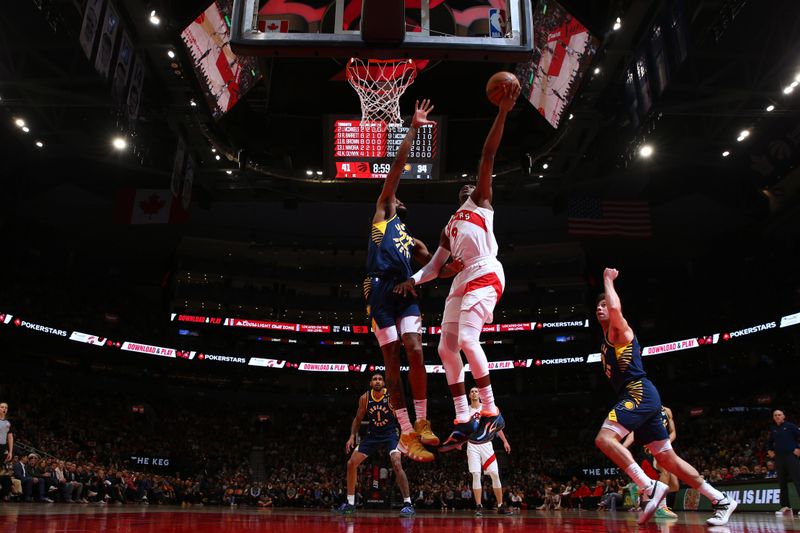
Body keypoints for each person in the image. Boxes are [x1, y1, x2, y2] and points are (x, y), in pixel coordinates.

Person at [395, 83, 520, 451]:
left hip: (484, 269)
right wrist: (412, 279)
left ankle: (492, 411)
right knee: (447, 350)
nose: (470, 184)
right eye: (463, 185)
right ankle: (464, 417)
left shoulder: (481, 202)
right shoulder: (449, 225)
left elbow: (487, 157)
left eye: (473, 183)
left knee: (467, 340)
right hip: (462, 277)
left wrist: (502, 112)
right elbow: (435, 265)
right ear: (456, 196)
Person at [593, 268, 736, 526]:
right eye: (598, 306)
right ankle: (721, 499)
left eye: (605, 304)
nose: (601, 308)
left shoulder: (619, 330)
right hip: (643, 396)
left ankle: (649, 487)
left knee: (604, 439)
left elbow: (615, 311)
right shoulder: (605, 340)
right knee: (667, 458)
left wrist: (608, 280)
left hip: (639, 391)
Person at [365, 99, 457, 462]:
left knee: (417, 350)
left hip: (406, 289)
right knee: (391, 359)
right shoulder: (384, 212)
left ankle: (422, 423)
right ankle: (404, 432)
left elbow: (438, 268)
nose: (396, 195)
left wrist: (459, 260)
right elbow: (397, 168)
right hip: (379, 288)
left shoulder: (413, 241)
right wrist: (414, 128)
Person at [334, 374, 415, 517]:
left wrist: (406, 437)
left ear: (384, 383)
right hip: (373, 435)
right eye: (374, 379)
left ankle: (408, 504)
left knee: (396, 463)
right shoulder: (365, 398)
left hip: (390, 434)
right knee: (351, 463)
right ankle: (350, 504)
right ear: (371, 383)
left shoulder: (390, 397)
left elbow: (402, 417)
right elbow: (358, 419)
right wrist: (352, 435)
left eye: (380, 379)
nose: (377, 381)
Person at [623, 405, 680, 518]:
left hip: (665, 446)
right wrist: (623, 446)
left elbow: (673, 432)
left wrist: (667, 442)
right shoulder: (646, 410)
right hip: (650, 446)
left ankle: (641, 490)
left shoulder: (667, 410)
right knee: (665, 470)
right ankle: (661, 507)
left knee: (674, 486)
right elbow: (634, 432)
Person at [462, 387, 512, 516]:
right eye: (472, 391)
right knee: (476, 474)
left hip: (486, 444)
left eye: (476, 391)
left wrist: (505, 441)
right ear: (469, 395)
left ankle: (500, 505)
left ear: (479, 394)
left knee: (495, 474)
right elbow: (462, 429)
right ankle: (478, 506)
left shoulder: (487, 408)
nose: (474, 393)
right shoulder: (465, 410)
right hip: (472, 445)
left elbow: (497, 426)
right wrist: (458, 442)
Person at [767, 409, 800, 516]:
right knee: (782, 483)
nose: (777, 416)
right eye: (775, 415)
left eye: (779, 415)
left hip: (791, 456)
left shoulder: (790, 426)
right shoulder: (773, 429)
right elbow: (769, 442)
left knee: (797, 481)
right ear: (773, 417)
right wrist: (769, 450)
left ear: (783, 416)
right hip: (779, 458)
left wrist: (798, 448)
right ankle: (785, 506)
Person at [0, 402, 13, 501]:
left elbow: (10, 436)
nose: (4, 409)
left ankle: (5, 494)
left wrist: (10, 451)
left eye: (5, 407)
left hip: (3, 447)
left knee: (4, 472)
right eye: (2, 407)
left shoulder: (8, 422)